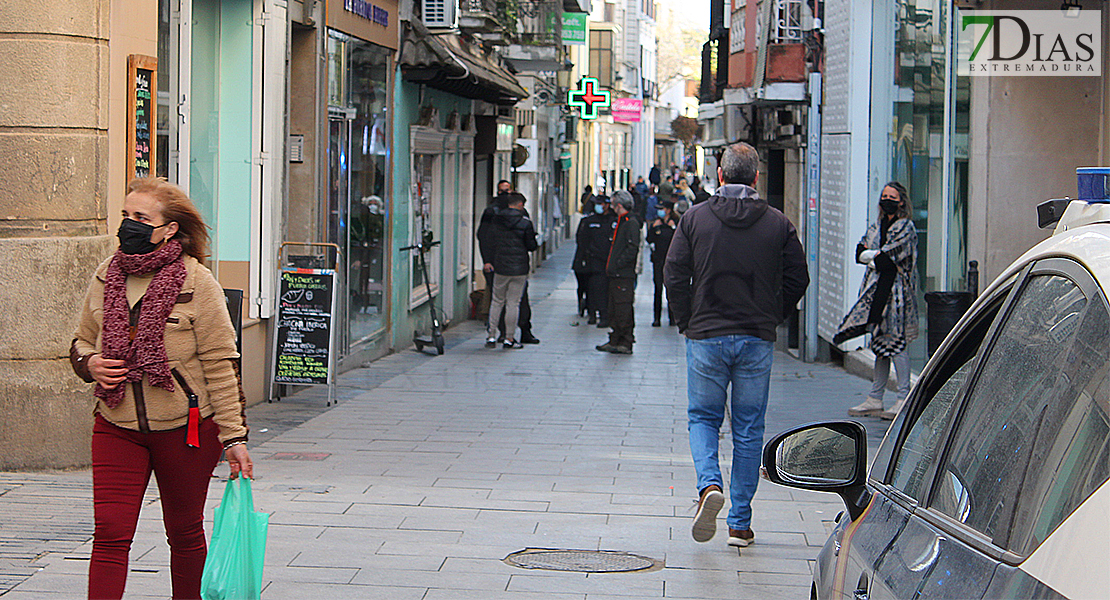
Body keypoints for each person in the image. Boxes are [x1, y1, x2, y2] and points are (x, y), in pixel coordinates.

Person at [70, 177, 252, 599]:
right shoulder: (106, 275)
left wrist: (234, 437)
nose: (128, 225)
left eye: (140, 217)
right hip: (116, 423)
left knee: (184, 533)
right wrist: (91, 363)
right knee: (111, 533)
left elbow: (221, 364)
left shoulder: (197, 281)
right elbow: (80, 341)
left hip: (185, 429)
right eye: (125, 216)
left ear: (169, 228)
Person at [664, 142, 808, 549]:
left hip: (706, 334)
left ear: (721, 176)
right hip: (755, 338)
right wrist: (772, 315)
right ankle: (739, 523)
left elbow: (673, 273)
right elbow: (799, 278)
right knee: (748, 429)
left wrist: (686, 320)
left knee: (703, 419)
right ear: (757, 178)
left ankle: (709, 485)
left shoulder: (695, 219)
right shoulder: (778, 223)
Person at [833, 182, 919, 420]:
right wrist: (874, 255)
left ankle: (904, 397)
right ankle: (875, 398)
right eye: (884, 196)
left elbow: (889, 258)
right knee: (879, 345)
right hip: (877, 295)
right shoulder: (876, 226)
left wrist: (874, 255)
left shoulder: (906, 228)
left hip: (898, 296)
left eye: (891, 196)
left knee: (897, 345)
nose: (886, 199)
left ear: (901, 201)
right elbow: (859, 252)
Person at [478, 181, 540, 344]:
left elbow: (487, 238)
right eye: (502, 191)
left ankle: (499, 334)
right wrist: (487, 260)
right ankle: (507, 335)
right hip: (513, 265)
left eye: (507, 191)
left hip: (501, 264)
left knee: (501, 301)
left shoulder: (500, 217)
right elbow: (484, 237)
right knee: (512, 302)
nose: (504, 194)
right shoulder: (494, 213)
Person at [596, 190, 641, 355]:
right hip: (615, 274)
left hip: (623, 274)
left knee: (623, 308)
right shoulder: (621, 221)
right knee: (613, 308)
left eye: (614, 203)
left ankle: (626, 341)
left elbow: (632, 248)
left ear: (619, 205)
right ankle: (614, 339)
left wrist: (618, 264)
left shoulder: (630, 222)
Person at [576, 196, 615, 325]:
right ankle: (592, 314)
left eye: (601, 204)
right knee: (592, 288)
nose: (599, 206)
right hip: (592, 260)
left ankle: (605, 315)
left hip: (608, 260)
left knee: (606, 289)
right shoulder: (589, 221)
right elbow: (581, 240)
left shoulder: (613, 220)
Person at [646, 199, 679, 327]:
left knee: (671, 289)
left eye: (662, 208)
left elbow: (680, 239)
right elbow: (649, 239)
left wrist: (673, 227)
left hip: (671, 262)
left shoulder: (675, 223)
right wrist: (654, 228)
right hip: (658, 261)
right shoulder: (656, 223)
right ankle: (656, 318)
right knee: (658, 289)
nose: (659, 211)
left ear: (668, 210)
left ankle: (673, 318)